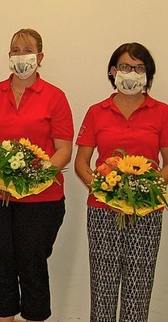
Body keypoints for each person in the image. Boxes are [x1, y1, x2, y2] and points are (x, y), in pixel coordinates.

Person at [0, 29, 73, 322]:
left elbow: (64, 149)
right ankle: (4, 317)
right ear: (9, 56)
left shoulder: (55, 97)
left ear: (40, 57)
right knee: (0, 264)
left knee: (32, 265)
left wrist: (35, 178)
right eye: (15, 49)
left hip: (42, 198)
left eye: (27, 50)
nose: (20, 55)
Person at [74, 42, 167, 322]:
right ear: (113, 71)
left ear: (147, 74)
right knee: (103, 289)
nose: (131, 73)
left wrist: (143, 192)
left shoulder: (162, 112)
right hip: (104, 211)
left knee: (138, 291)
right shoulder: (96, 111)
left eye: (139, 68)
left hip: (147, 212)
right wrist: (107, 192)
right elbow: (81, 164)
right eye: (125, 66)